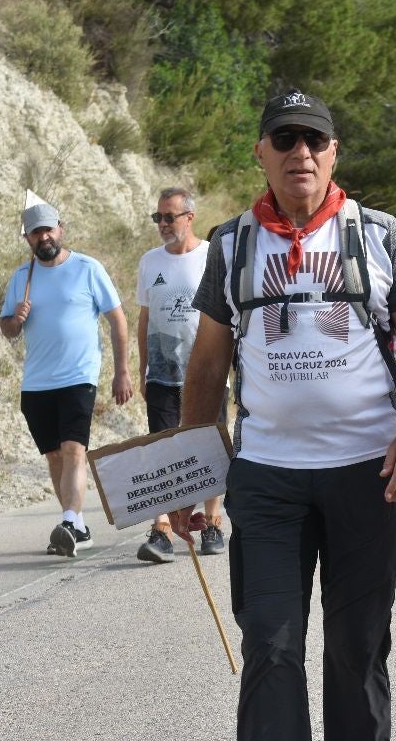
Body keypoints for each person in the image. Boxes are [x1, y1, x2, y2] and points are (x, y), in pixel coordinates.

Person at [170, 89, 396, 741]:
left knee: (357, 648)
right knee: (269, 646)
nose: (302, 152)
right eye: (286, 139)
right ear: (261, 151)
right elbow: (208, 367)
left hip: (366, 472)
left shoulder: (377, 235)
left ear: (333, 152)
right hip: (267, 476)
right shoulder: (232, 244)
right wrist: (190, 475)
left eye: (314, 140)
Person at [0, 197, 134, 557]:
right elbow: (7, 329)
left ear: (61, 229)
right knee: (55, 458)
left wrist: (122, 371)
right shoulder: (21, 278)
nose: (43, 237)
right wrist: (17, 318)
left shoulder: (88, 269)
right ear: (27, 238)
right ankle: (77, 527)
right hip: (37, 382)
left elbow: (118, 320)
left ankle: (71, 520)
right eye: (35, 232)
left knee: (75, 450)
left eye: (48, 229)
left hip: (79, 376)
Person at [133, 187, 225, 563]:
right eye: (158, 218)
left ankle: (214, 521)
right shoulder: (150, 262)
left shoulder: (212, 257)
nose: (163, 225)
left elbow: (227, 316)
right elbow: (144, 317)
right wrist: (141, 368)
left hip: (207, 371)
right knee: (163, 449)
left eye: (169, 217)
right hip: (162, 373)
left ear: (190, 217)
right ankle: (163, 528)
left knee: (209, 448)